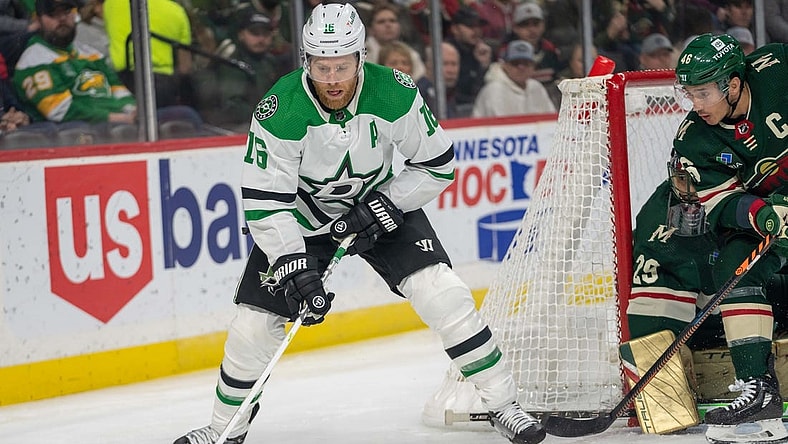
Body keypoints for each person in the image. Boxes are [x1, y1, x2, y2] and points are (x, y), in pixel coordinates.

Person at [172, 4, 546, 444]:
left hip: (380, 204)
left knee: (443, 293)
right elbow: (265, 201)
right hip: (303, 220)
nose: (332, 79)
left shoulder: (394, 93)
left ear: (360, 59)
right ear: (306, 61)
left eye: (342, 66)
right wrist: (293, 264)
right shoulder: (281, 109)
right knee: (254, 327)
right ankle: (224, 430)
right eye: (321, 67)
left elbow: (438, 165)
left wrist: (386, 204)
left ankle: (504, 406)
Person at [628, 33, 788, 442]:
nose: (696, 105)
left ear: (734, 84)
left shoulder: (779, 70)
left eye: (703, 93)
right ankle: (760, 394)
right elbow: (716, 202)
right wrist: (761, 213)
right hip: (775, 221)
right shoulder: (693, 139)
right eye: (689, 94)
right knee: (737, 264)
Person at [13, 0, 137, 125]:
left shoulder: (92, 54)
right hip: (69, 136)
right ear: (38, 20)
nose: (62, 18)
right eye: (53, 14)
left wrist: (133, 111)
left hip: (116, 127)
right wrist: (121, 118)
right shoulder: (34, 61)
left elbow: (120, 92)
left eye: (67, 12)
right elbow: (60, 111)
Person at [103, 0, 193, 107]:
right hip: (165, 85)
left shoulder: (111, 3)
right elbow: (185, 67)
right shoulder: (177, 11)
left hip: (122, 81)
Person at [207, 9, 280, 132]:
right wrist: (268, 116)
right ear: (241, 34)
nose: (261, 39)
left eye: (265, 34)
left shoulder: (271, 62)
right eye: (255, 33)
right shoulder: (233, 63)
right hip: (236, 127)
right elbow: (232, 106)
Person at [472, 40, 556, 118]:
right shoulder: (494, 89)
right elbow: (501, 126)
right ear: (505, 65)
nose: (521, 68)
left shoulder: (536, 86)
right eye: (515, 63)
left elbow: (551, 118)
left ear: (533, 66)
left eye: (526, 63)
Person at [445, 6, 492, 113]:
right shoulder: (447, 51)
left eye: (478, 26)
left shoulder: (482, 50)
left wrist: (484, 66)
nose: (476, 31)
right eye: (470, 26)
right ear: (454, 29)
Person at [505, 2, 561, 85]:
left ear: (543, 26)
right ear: (515, 28)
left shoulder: (551, 51)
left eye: (536, 24)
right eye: (525, 24)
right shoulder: (506, 53)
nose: (531, 30)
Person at [416, 41, 464, 118]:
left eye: (454, 64)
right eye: (445, 64)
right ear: (428, 65)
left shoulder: (454, 91)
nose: (450, 70)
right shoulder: (420, 94)